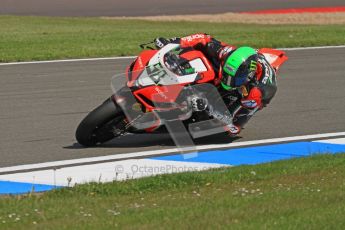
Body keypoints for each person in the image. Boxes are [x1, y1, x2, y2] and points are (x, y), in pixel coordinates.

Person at [154, 33, 278, 136]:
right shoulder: (225, 52)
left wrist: (207, 107)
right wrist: (174, 43)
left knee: (227, 130)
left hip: (248, 100)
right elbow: (203, 38)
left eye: (232, 79)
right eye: (226, 76)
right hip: (243, 64)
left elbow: (233, 123)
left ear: (249, 76)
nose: (227, 82)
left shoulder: (255, 93)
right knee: (201, 53)